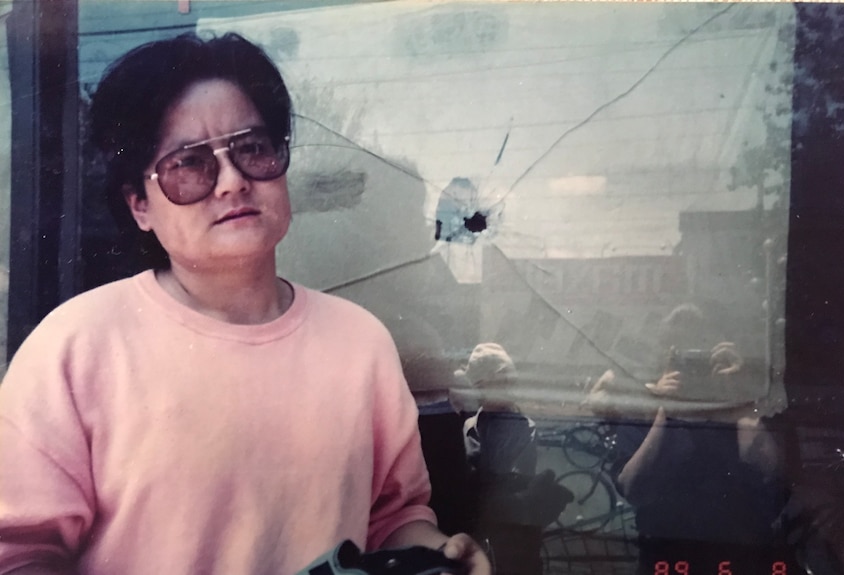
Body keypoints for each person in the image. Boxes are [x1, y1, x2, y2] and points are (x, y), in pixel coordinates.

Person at [0, 33, 490, 575]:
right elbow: (18, 553)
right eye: (188, 163)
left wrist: (434, 554)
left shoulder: (360, 343)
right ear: (139, 204)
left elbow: (390, 518)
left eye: (252, 148)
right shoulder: (76, 347)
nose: (232, 181)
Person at [598, 304, 789, 574]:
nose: (692, 368)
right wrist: (666, 413)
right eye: (681, 355)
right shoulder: (642, 410)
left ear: (716, 353)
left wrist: (737, 397)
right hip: (666, 558)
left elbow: (774, 473)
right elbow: (634, 489)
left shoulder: (742, 408)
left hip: (744, 554)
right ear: (664, 359)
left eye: (698, 350)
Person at [456, 343, 573, 575]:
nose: (509, 385)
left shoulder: (523, 427)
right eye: (500, 379)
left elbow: (519, 482)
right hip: (476, 539)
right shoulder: (468, 425)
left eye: (509, 379)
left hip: (514, 539)